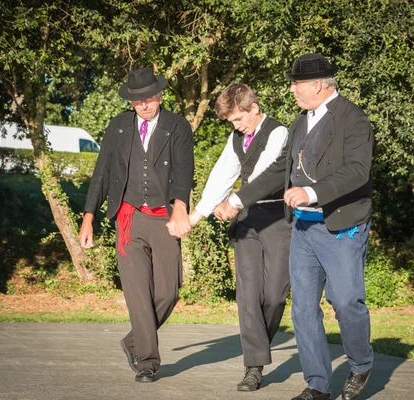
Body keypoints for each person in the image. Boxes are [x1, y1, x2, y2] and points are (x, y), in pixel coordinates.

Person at [215, 53, 374, 400]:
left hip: (341, 227)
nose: (291, 89)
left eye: (296, 83)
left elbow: (358, 171)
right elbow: (278, 170)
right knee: (302, 308)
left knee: (345, 302)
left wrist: (311, 192)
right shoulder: (302, 121)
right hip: (303, 229)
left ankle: (361, 364)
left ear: (317, 85)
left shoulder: (354, 119)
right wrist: (238, 200)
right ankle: (317, 384)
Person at [78, 67, 194, 382]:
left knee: (168, 292)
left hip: (165, 218)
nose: (143, 104)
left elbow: (184, 171)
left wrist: (181, 207)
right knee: (137, 293)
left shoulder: (178, 126)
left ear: (158, 95)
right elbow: (101, 173)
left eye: (148, 97)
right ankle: (147, 361)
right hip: (128, 218)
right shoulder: (118, 128)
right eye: (137, 99)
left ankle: (133, 341)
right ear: (131, 101)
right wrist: (88, 216)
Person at [186, 83, 291, 391]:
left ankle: (259, 347)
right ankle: (253, 367)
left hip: (277, 219)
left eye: (238, 120)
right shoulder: (236, 139)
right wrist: (196, 216)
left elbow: (262, 174)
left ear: (254, 108)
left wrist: (233, 202)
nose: (235, 127)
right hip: (246, 222)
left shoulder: (279, 132)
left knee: (274, 295)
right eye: (231, 122)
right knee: (248, 294)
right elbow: (223, 174)